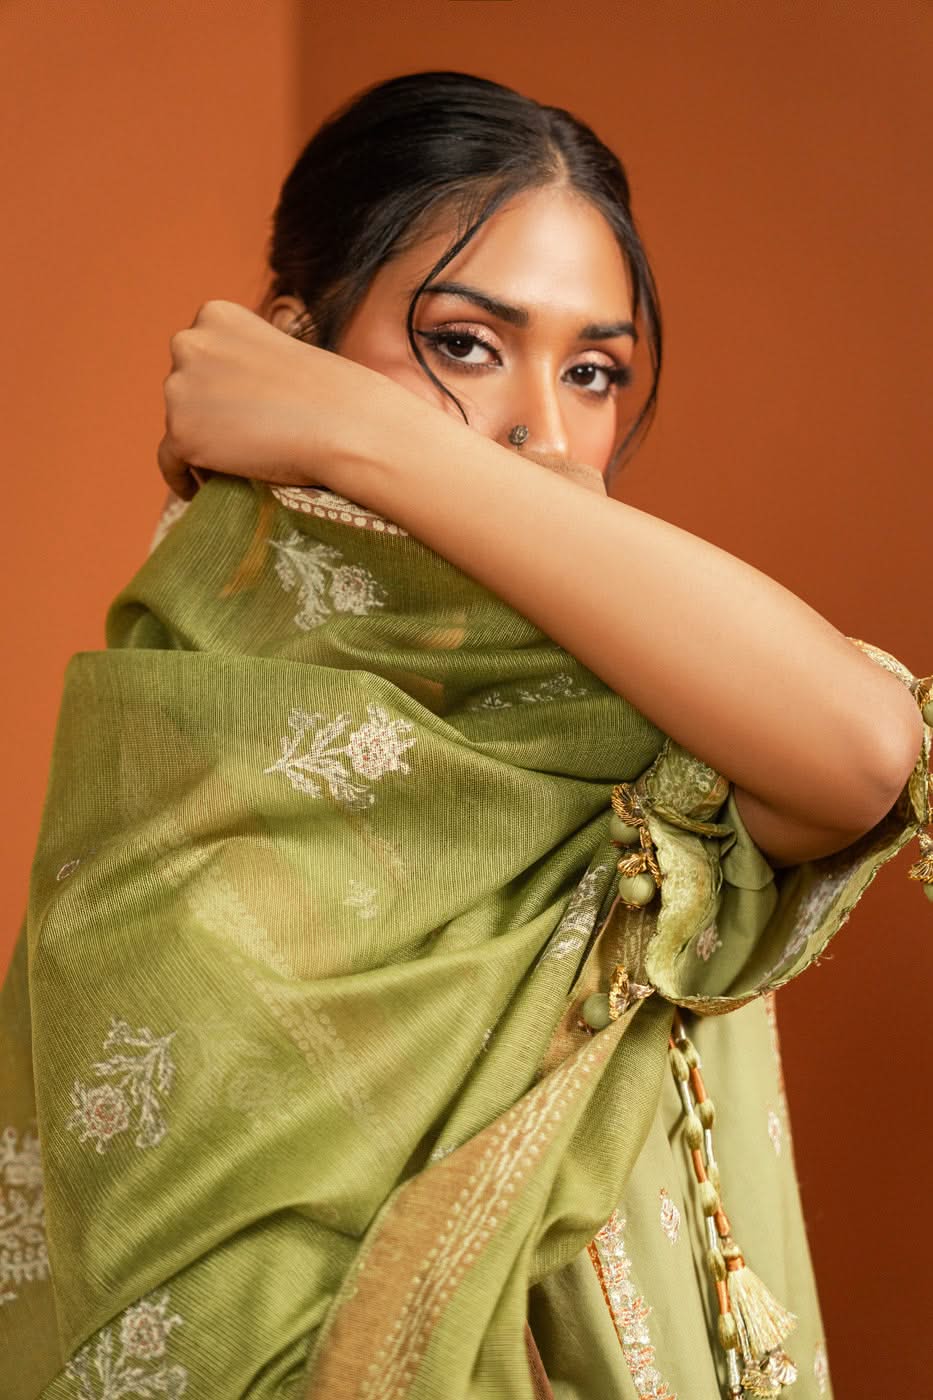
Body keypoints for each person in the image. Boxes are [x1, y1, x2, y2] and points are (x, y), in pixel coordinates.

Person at [1, 70, 930, 1400]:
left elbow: (866, 751)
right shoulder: (178, 760)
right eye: (464, 345)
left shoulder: (665, 744)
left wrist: (366, 431)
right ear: (295, 341)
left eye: (594, 373)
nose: (545, 433)